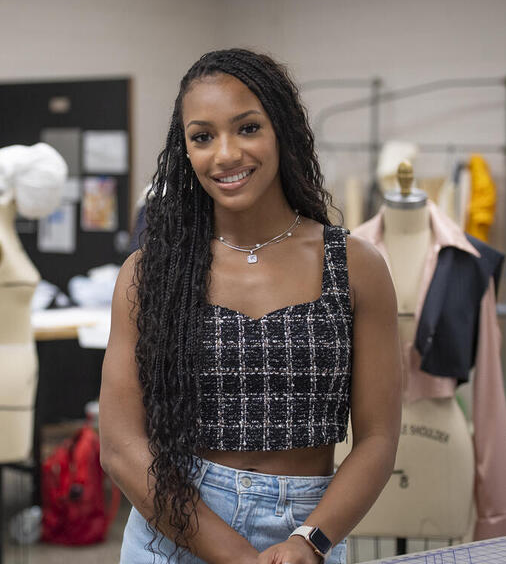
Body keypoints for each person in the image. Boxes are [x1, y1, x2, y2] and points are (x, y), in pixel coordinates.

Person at [99, 49, 401, 564]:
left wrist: (311, 541)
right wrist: (238, 556)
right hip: (175, 524)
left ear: (282, 130)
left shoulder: (356, 266)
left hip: (306, 532)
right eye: (202, 137)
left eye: (247, 128)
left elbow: (377, 438)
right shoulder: (151, 273)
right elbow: (121, 444)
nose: (225, 154)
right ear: (185, 150)